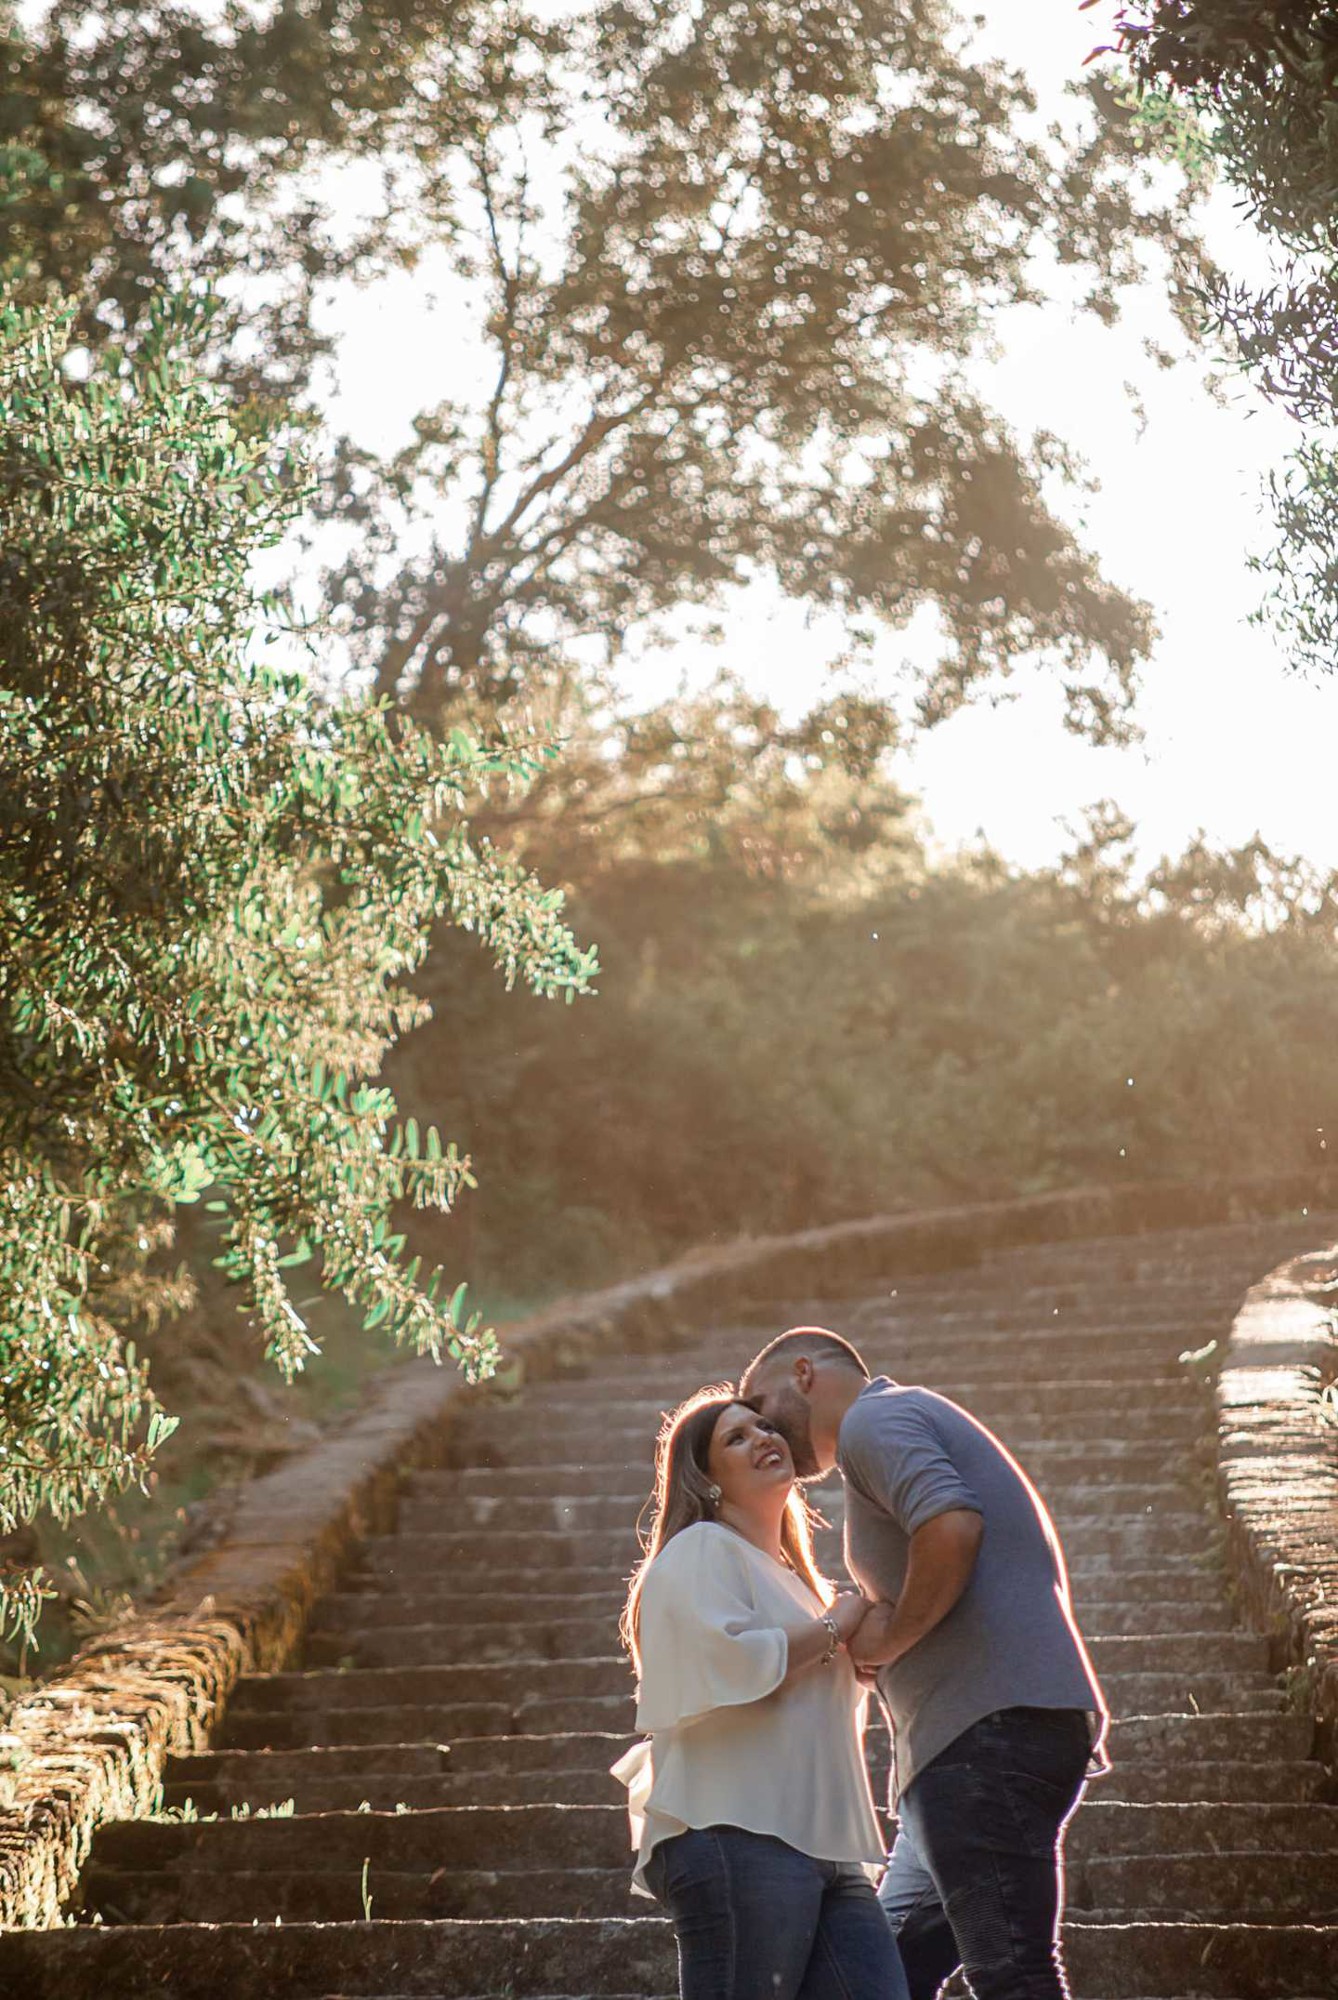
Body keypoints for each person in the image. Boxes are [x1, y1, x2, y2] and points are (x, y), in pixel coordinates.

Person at [741, 1327, 1108, 2000]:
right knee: (878, 1977)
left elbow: (952, 1524)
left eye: (758, 1405)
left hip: (985, 1739)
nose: (759, 1429)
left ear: (803, 1373)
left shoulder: (873, 1420)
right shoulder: (886, 1425)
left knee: (1013, 1972)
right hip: (962, 1749)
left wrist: (891, 1638)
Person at [613, 1384, 910, 2000]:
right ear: (707, 1476)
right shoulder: (698, 1549)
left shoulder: (795, 1582)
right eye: (736, 1438)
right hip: (736, 1832)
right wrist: (836, 1625)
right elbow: (736, 1662)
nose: (762, 1438)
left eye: (763, 1428)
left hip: (824, 1844)